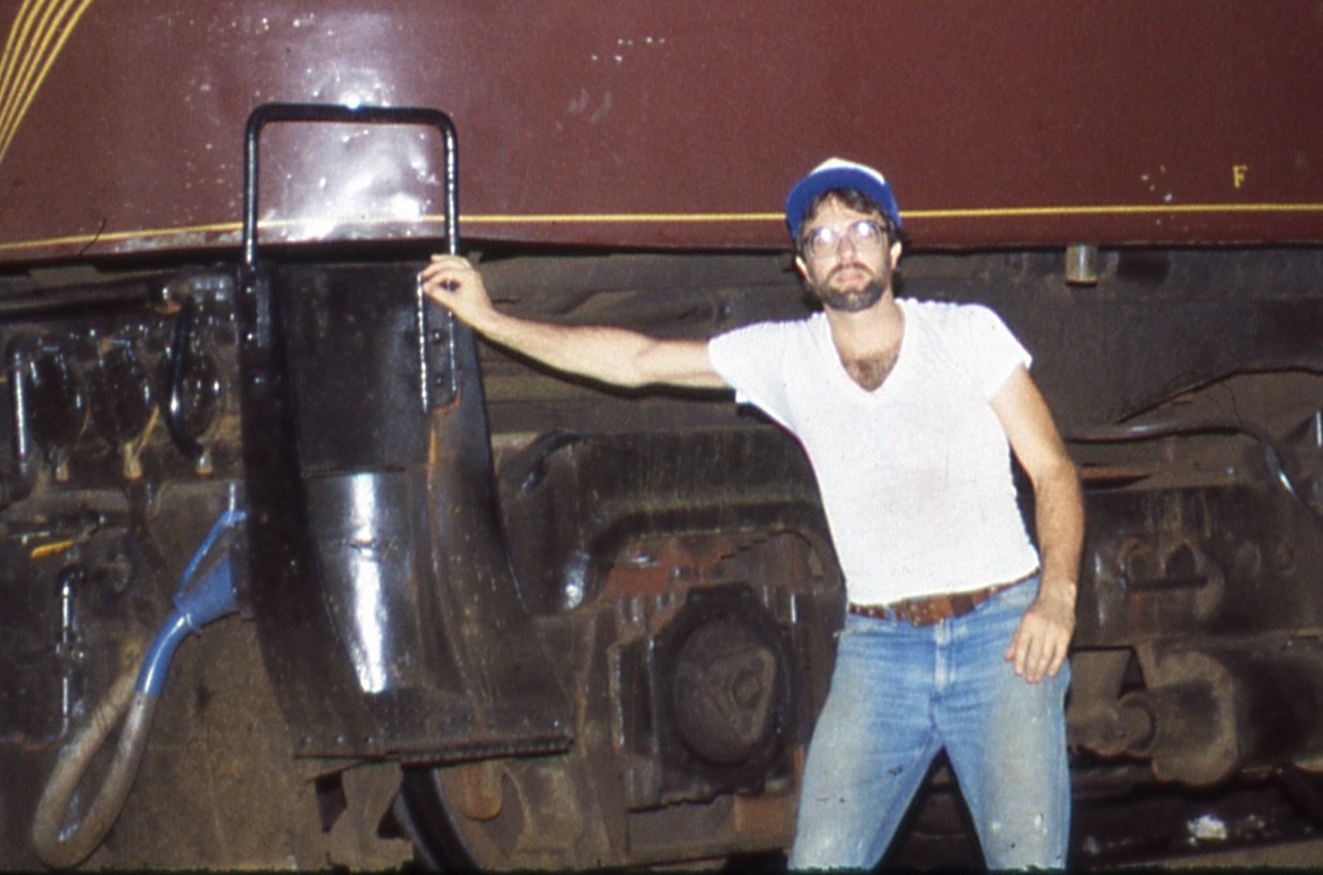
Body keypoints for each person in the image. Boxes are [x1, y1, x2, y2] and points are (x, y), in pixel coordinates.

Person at [418, 158, 1083, 870]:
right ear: (803, 267)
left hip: (1001, 639)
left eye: (861, 229)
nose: (844, 249)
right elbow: (638, 359)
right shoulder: (787, 357)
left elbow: (1052, 471)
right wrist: (489, 318)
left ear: (894, 249)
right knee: (821, 862)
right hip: (880, 651)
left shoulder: (968, 335)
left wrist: (1057, 598)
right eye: (821, 238)